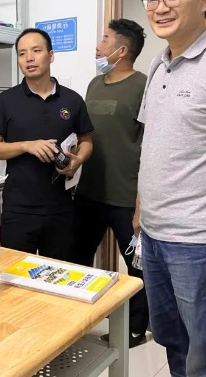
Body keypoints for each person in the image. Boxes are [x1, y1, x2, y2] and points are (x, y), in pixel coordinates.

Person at [135, 0, 206, 376]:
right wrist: (141, 209)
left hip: (199, 242)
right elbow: (154, 142)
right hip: (154, 235)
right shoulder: (158, 62)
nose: (160, 7)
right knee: (172, 341)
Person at [0, 28, 93, 262]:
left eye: (36, 51)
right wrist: (26, 146)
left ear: (50, 56)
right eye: (22, 53)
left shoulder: (72, 100)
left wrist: (78, 160)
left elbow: (87, 141)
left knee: (60, 274)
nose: (29, 58)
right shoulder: (5, 101)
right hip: (18, 210)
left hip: (61, 209)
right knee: (13, 276)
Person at [75, 18, 150, 348]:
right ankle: (77, 319)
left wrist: (142, 201)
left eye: (105, 40)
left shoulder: (143, 85)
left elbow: (150, 143)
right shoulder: (94, 84)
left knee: (137, 267)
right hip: (89, 190)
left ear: (122, 50)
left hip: (126, 195)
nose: (98, 46)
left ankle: (135, 328)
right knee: (77, 257)